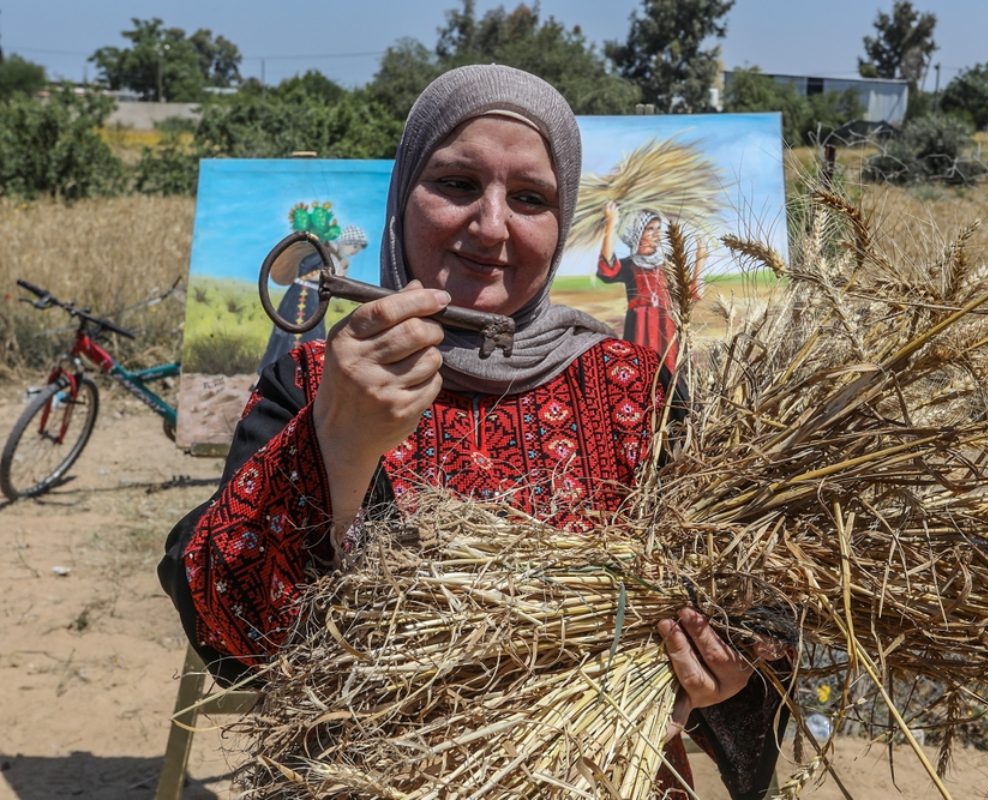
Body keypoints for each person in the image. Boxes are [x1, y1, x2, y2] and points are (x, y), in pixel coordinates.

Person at [159, 64, 783, 799]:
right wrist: (338, 442)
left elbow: (755, 601)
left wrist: (731, 670)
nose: (491, 225)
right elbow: (228, 626)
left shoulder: (634, 390)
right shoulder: (311, 384)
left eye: (530, 198)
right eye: (457, 184)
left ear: (562, 218)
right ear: (402, 199)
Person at [597, 201, 704, 371]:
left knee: (671, 372)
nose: (657, 234)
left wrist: (700, 260)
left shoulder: (668, 262)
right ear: (637, 232)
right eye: (650, 229)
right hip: (639, 326)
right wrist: (610, 224)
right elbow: (607, 269)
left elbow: (689, 293)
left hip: (667, 327)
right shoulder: (629, 264)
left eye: (658, 228)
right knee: (639, 370)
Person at [257, 224, 368, 374]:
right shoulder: (324, 254)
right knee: (300, 335)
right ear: (348, 243)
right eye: (354, 248)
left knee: (309, 335)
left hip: (309, 297)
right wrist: (339, 273)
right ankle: (286, 373)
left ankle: (298, 374)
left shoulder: (331, 256)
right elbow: (315, 275)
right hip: (303, 297)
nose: (354, 252)